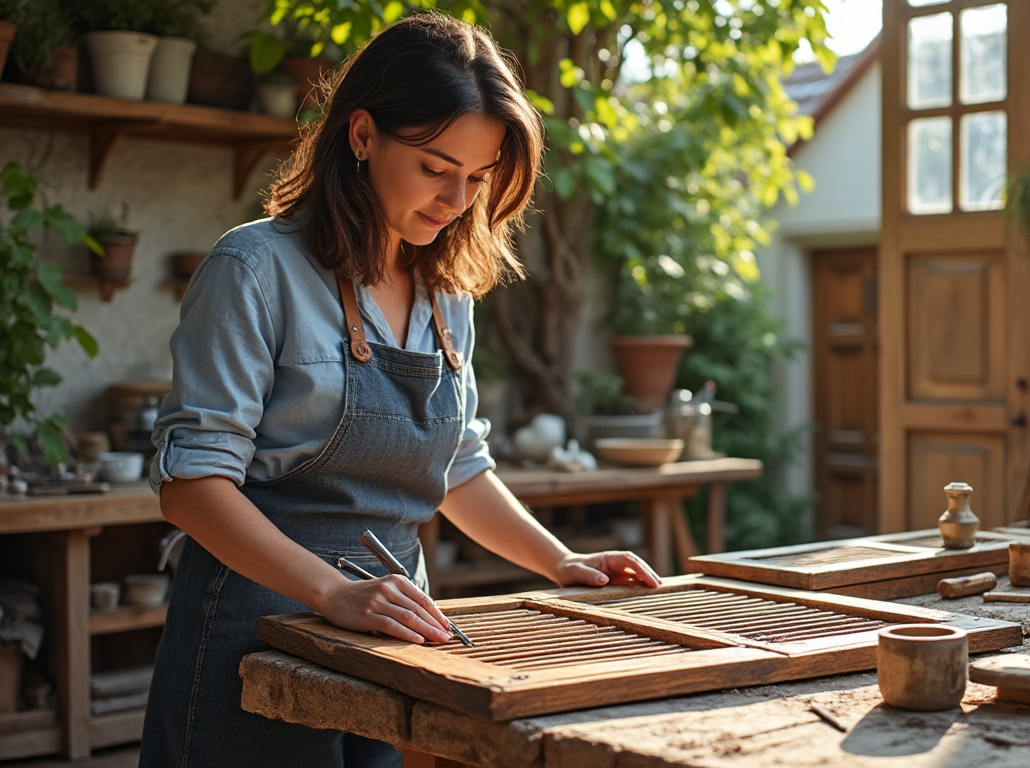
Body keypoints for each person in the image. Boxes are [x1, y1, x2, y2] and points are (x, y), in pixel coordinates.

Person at [141, 13, 661, 767]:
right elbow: (190, 487)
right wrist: (332, 595)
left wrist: (559, 561)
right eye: (434, 166)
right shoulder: (254, 269)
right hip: (250, 632)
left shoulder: (447, 293)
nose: (457, 198)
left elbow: (458, 467)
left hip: (393, 633)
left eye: (477, 178)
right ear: (362, 136)